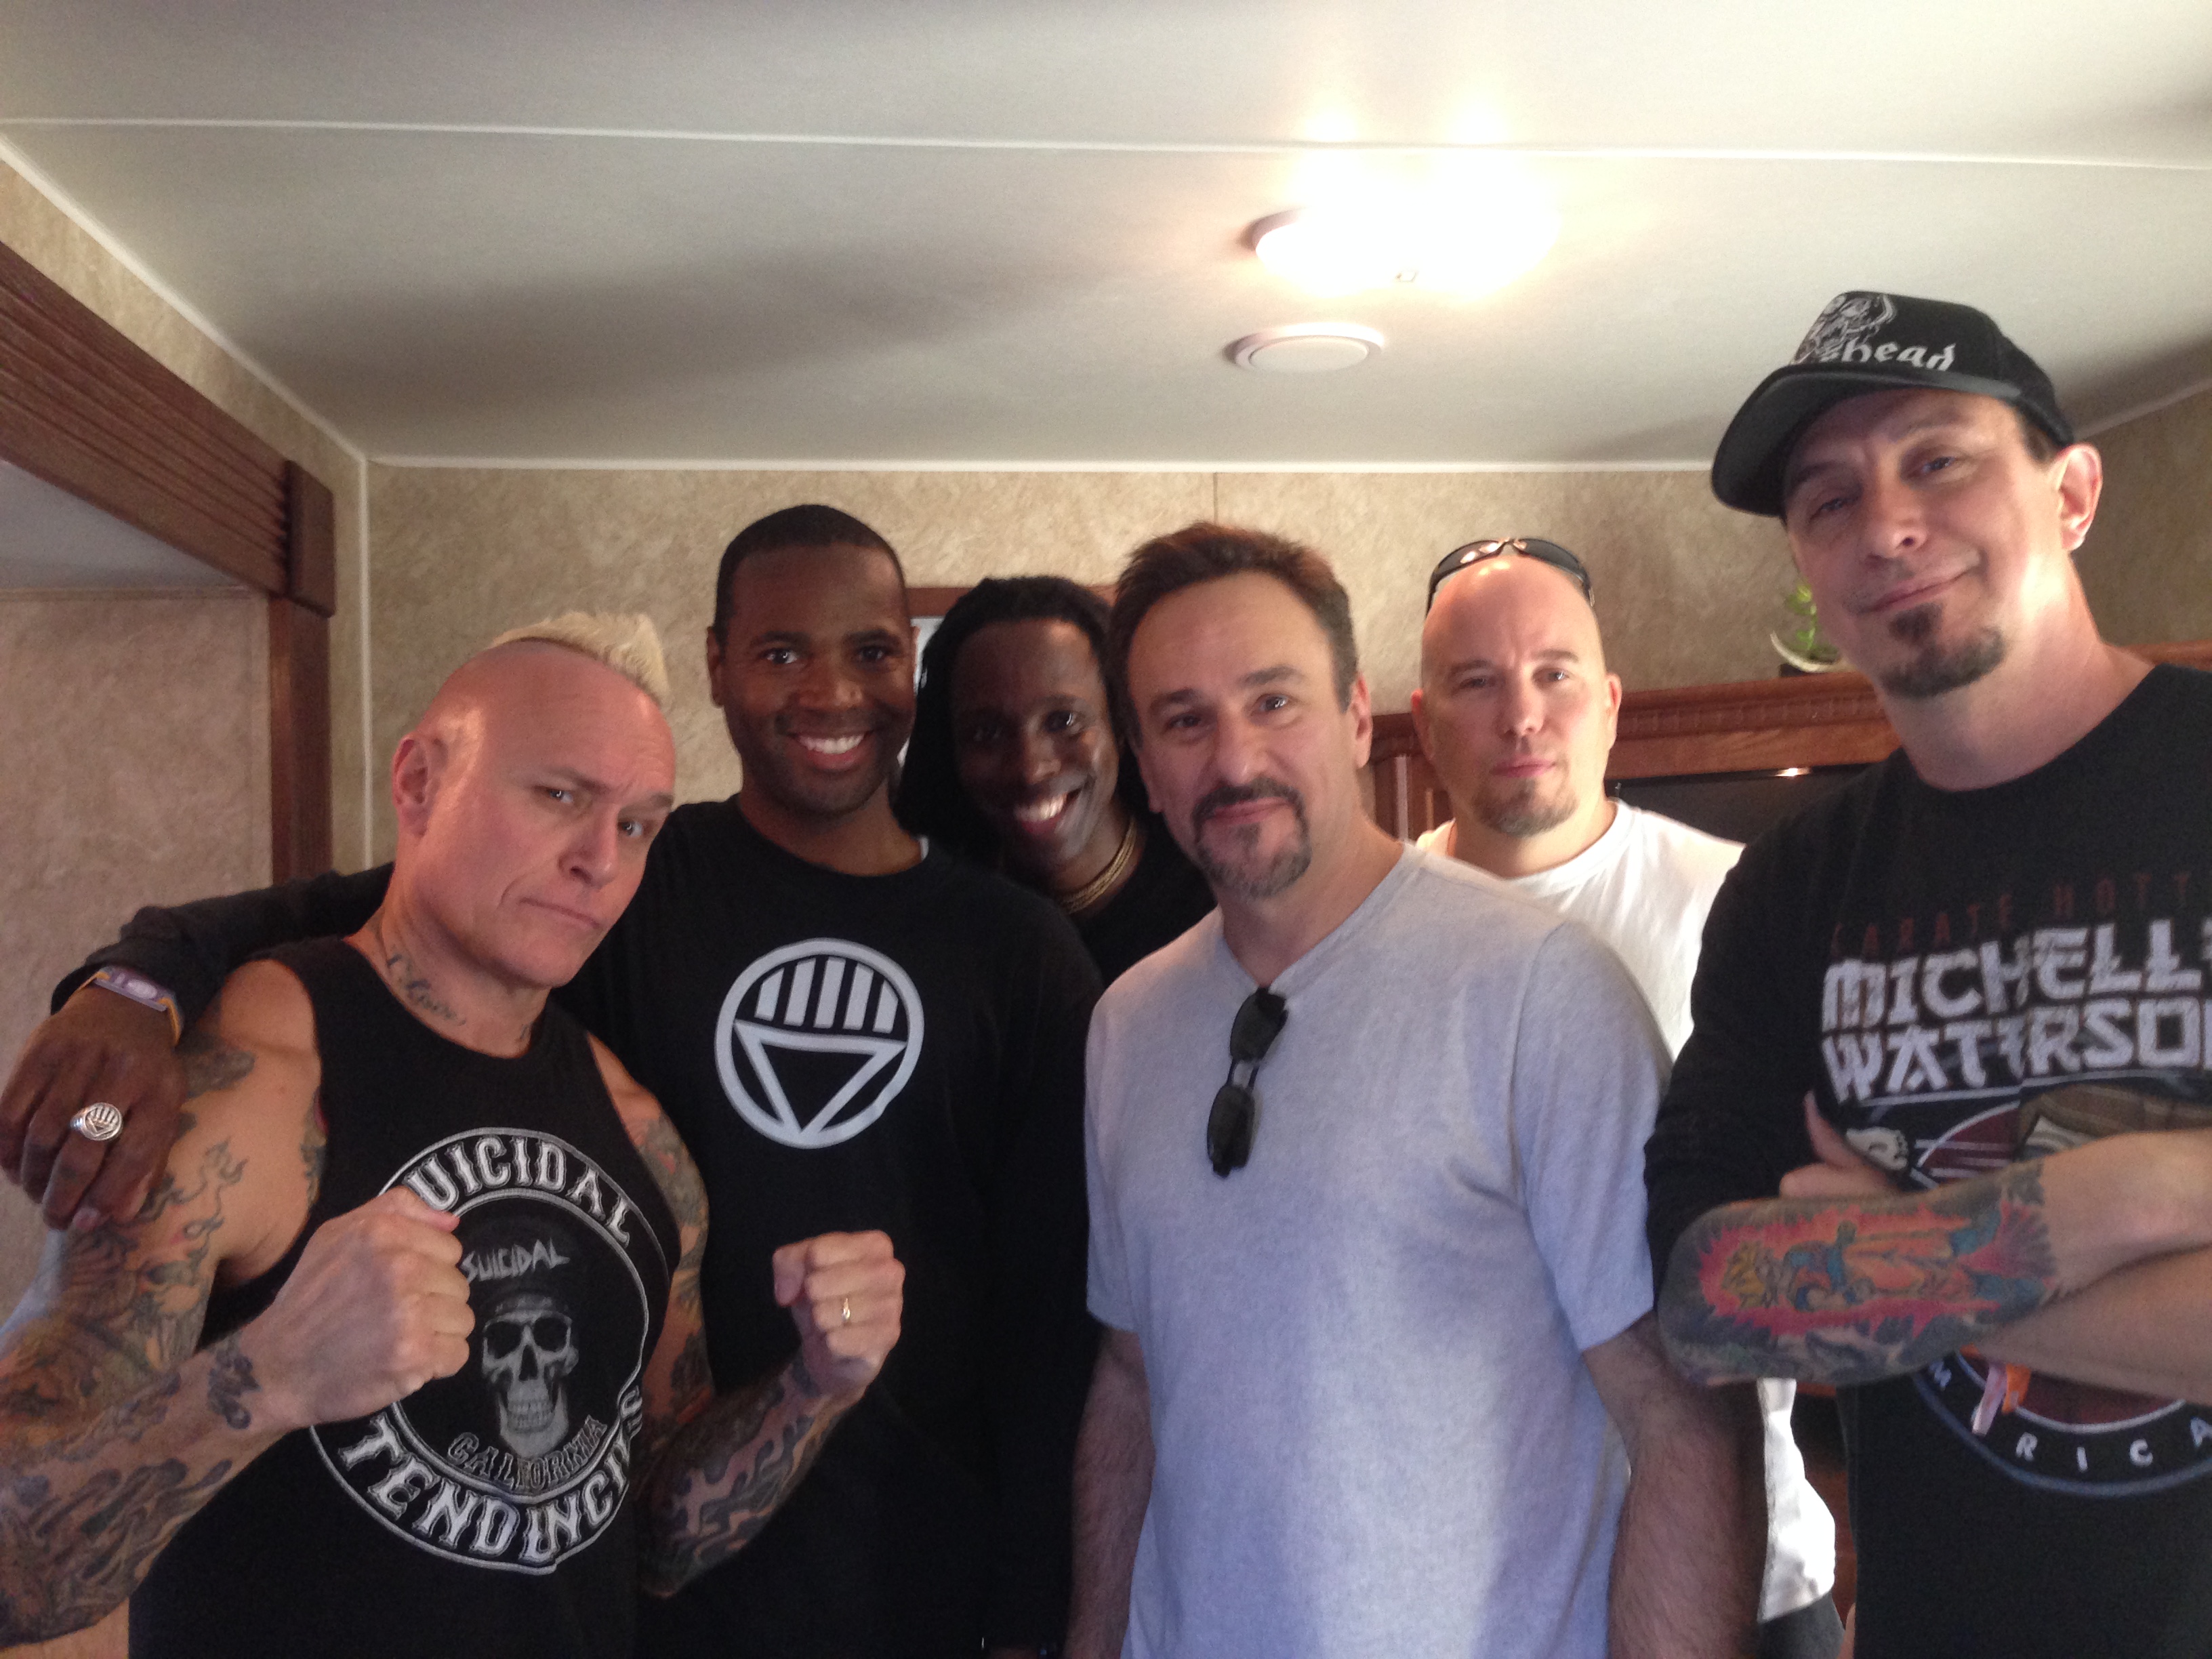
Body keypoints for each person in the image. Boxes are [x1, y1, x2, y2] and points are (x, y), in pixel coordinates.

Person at [0, 508, 1101, 1659]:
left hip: (896, 1589)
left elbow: (652, 1534)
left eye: (635, 823)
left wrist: (814, 1388)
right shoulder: (255, 1084)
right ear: (418, 782)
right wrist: (129, 994)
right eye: (558, 797)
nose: (597, 862)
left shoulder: (646, 1139)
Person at [1067, 522, 1762, 1659]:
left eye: (1273, 700)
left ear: (1355, 716)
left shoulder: (1539, 990)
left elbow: (1680, 1415)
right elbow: (1127, 1381)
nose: (1233, 758)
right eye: (1184, 720)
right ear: (1142, 763)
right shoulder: (1125, 1026)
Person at [1647, 291, 2212, 1657]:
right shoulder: (1792, 888)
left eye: (1937, 459)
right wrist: (2135, 1192)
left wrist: (1893, 1248)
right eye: (1828, 498)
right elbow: (1706, 1293)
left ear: (2071, 492)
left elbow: (1793, 1282)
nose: (1885, 525)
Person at [1412, 535, 1841, 1658]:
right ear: (1422, 721)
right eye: (1476, 681)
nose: (1520, 715)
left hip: (1745, 1570)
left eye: (1553, 673)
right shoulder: (1368, 935)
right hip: (1473, 1591)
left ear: (1608, 704)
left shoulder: (1738, 905)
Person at [897, 575, 1214, 983]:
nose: (1030, 769)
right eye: (986, 733)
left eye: (1063, 721)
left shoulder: (1216, 903)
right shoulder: (945, 918)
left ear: (1121, 725)